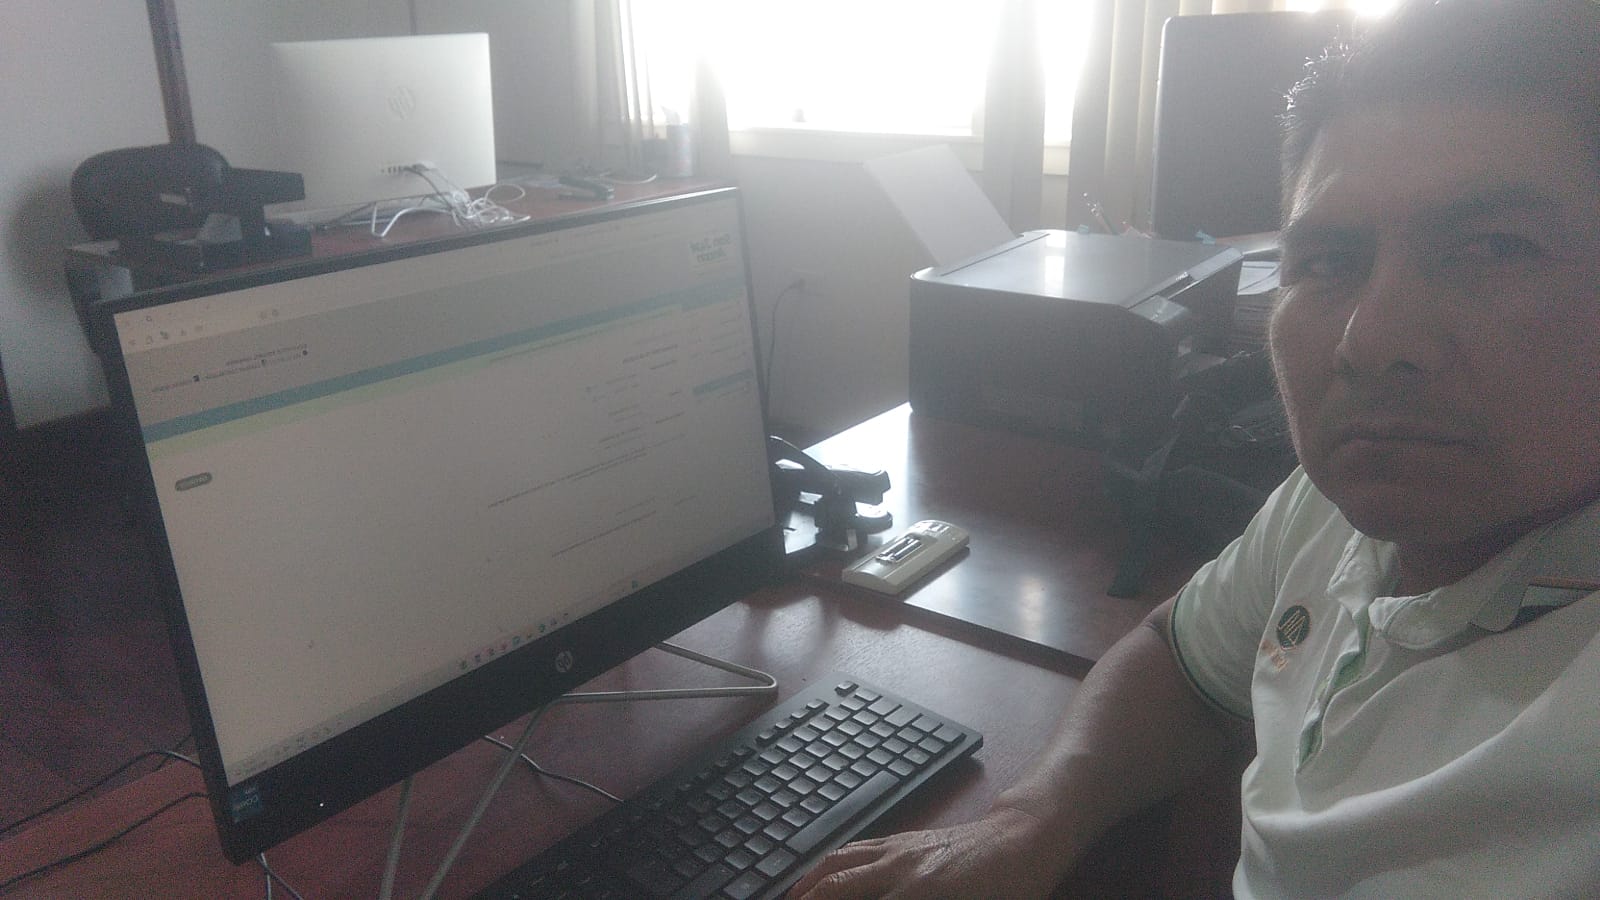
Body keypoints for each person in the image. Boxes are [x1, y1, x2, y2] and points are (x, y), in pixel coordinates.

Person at [790, 0, 1600, 896]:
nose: (1369, 341)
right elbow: (1181, 659)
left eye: (1495, 248)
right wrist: (1031, 823)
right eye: (1329, 262)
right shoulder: (1332, 506)